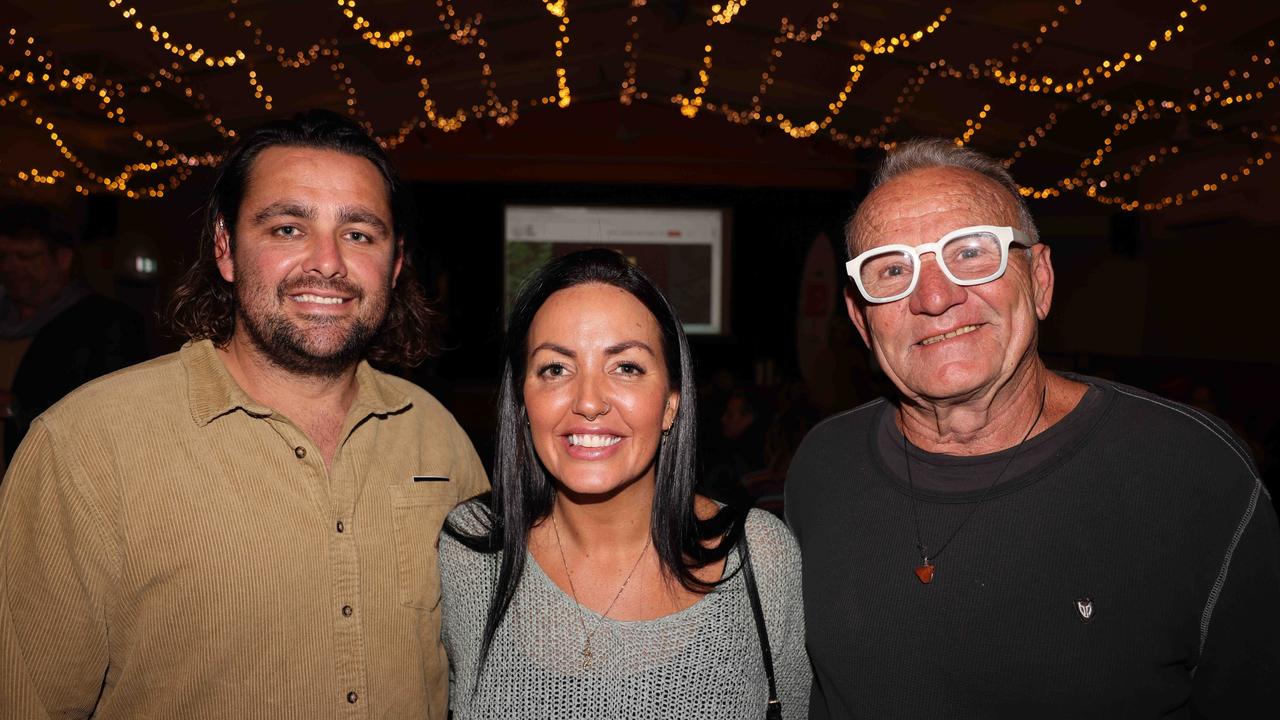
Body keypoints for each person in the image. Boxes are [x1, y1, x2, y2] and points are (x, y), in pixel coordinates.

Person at [0, 109, 487, 719]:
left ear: (393, 266)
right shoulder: (85, 446)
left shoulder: (437, 439)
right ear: (226, 250)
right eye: (288, 228)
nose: (328, 263)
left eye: (359, 234)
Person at [786, 138, 1280, 718]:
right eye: (893, 269)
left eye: (971, 252)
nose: (935, 296)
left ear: (1040, 279)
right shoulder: (824, 466)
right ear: (862, 320)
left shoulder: (1194, 471)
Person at [439, 249, 809, 719]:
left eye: (626, 367)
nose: (589, 402)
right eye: (556, 368)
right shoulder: (471, 553)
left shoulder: (759, 555)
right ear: (521, 402)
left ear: (671, 403)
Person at [0, 203, 146, 473]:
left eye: (24, 256)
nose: (9, 267)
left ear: (63, 259)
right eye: (3, 256)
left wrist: (16, 408)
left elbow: (116, 419)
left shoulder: (106, 324)